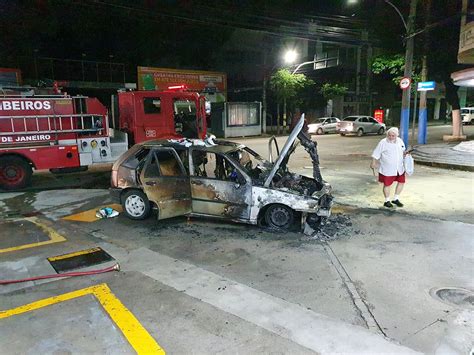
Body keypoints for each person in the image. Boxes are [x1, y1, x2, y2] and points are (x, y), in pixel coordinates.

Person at [370, 127, 406, 208]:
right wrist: (373, 162)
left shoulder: (400, 141)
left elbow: (403, 150)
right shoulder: (383, 142)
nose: (391, 137)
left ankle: (396, 199)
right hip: (387, 169)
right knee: (387, 184)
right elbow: (376, 153)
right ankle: (387, 201)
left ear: (397, 135)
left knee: (401, 182)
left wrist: (406, 155)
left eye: (393, 136)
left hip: (399, 168)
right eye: (389, 135)